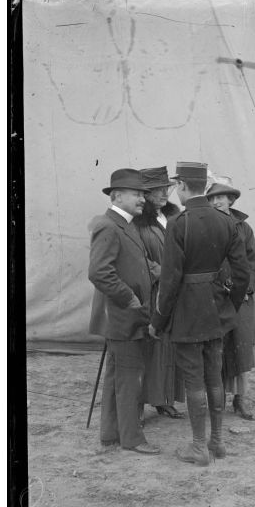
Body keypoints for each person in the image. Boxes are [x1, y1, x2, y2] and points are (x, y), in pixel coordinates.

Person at [150, 161, 250, 466]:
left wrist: (158, 321)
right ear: (204, 188)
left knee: (194, 381)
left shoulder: (179, 224)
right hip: (216, 311)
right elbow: (242, 273)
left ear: (183, 186)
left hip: (187, 312)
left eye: (176, 186)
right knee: (214, 377)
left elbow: (169, 282)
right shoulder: (227, 222)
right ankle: (217, 443)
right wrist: (229, 305)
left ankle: (198, 447)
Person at [88, 168, 161, 455]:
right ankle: (132, 439)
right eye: (136, 194)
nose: (142, 198)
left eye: (143, 194)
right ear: (117, 196)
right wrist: (130, 299)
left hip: (128, 316)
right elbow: (99, 272)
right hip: (124, 316)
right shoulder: (109, 225)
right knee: (130, 377)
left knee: (117, 376)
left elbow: (134, 264)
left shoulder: (126, 225)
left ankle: (110, 435)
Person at [206, 178, 255, 420]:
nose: (217, 201)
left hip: (239, 299)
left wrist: (245, 289)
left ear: (231, 200)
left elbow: (253, 263)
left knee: (240, 348)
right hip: (214, 298)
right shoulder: (205, 225)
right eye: (212, 197)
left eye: (222, 197)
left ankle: (240, 399)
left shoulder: (244, 229)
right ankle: (215, 400)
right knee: (214, 349)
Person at [134, 166, 185, 420]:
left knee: (169, 346)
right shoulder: (137, 222)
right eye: (158, 190)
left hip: (174, 291)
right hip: (152, 292)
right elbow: (138, 258)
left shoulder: (173, 216)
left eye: (167, 188)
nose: (165, 193)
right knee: (152, 346)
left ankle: (163, 398)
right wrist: (164, 274)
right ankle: (146, 400)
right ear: (145, 192)